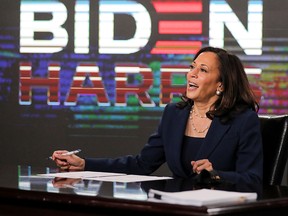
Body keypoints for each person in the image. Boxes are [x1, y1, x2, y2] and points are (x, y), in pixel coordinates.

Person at [51, 46, 263, 185]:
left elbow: (253, 180)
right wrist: (85, 164)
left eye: (203, 70)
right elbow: (141, 165)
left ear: (221, 84)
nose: (192, 73)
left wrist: (216, 174)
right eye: (192, 67)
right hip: (177, 207)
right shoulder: (175, 114)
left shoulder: (243, 120)